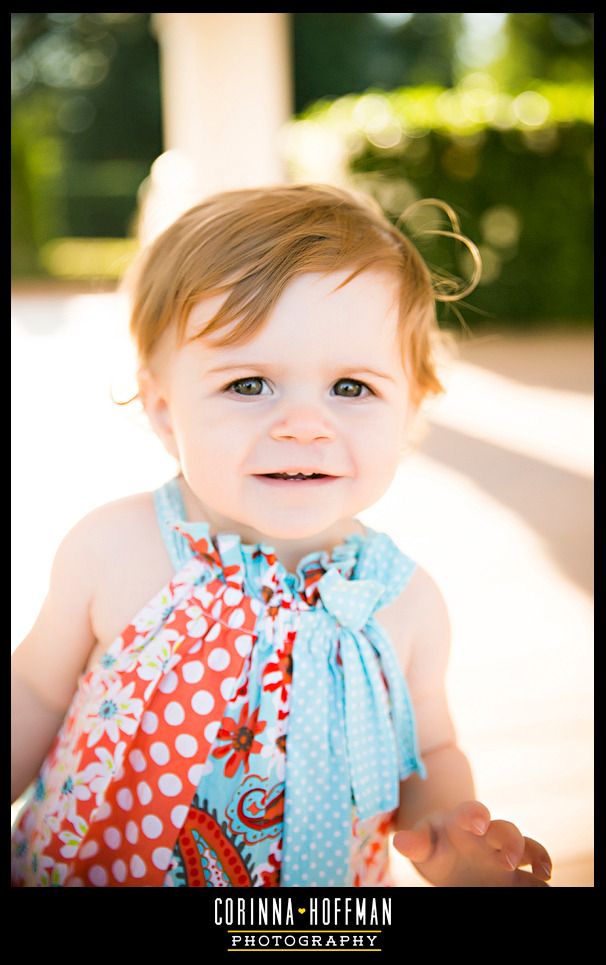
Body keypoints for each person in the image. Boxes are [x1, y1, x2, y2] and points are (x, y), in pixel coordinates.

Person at [11, 183, 552, 888]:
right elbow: (34, 691)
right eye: (250, 383)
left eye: (351, 388)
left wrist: (453, 834)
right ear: (165, 409)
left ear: (410, 410)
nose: (304, 423)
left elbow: (433, 750)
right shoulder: (117, 548)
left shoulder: (403, 601)